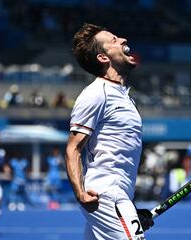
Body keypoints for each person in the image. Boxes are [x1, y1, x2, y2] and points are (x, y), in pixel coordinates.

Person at [66, 23, 153, 240]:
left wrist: (129, 208)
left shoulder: (124, 96)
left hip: (118, 195)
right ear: (103, 58)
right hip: (106, 195)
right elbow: (73, 149)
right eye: (113, 40)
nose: (123, 39)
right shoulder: (96, 93)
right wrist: (80, 193)